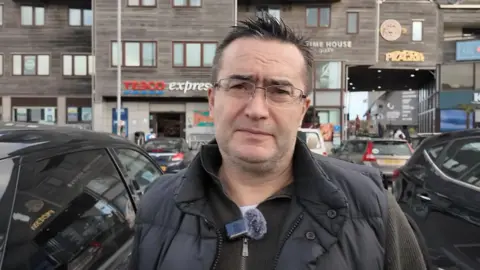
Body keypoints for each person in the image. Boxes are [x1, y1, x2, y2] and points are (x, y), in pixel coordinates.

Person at [130, 15, 429, 270]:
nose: (257, 110)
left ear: (302, 108)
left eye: (280, 91)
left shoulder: (372, 205)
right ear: (212, 100)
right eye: (238, 86)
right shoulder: (158, 204)